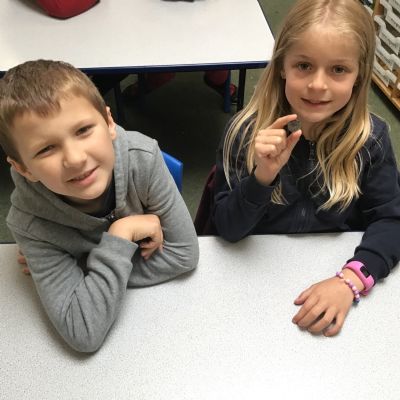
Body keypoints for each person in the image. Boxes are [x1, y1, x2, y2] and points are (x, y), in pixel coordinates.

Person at [212, 0, 400, 336]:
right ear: (282, 65)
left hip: (334, 280)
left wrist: (350, 280)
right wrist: (262, 177)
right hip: (252, 288)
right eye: (303, 65)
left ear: (359, 75)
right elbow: (227, 228)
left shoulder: (370, 140)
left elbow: (391, 220)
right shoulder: (244, 134)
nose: (317, 85)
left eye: (338, 70)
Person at [0, 60, 199, 352]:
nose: (75, 158)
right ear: (23, 168)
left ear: (108, 122)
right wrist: (121, 234)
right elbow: (82, 329)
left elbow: (184, 255)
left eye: (83, 130)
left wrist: (80, 273)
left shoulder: (143, 158)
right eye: (46, 149)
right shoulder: (29, 223)